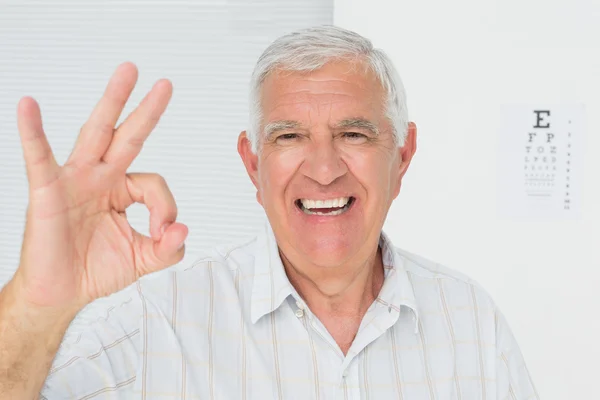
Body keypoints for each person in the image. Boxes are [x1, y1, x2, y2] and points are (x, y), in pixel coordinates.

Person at [0, 26, 538, 399]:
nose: (324, 170)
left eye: (354, 134)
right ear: (252, 163)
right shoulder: (154, 321)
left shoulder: (471, 323)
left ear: (402, 154)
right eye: (290, 136)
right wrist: (37, 299)